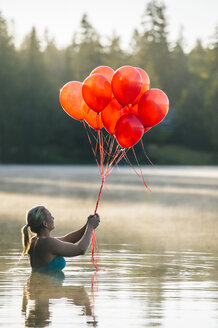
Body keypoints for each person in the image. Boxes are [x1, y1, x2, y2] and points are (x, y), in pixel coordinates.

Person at [21, 205, 100, 272]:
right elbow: (81, 250)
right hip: (51, 289)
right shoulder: (48, 243)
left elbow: (67, 239)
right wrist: (90, 227)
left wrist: (87, 225)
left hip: (43, 288)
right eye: (50, 216)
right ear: (45, 223)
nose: (53, 218)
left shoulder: (35, 241)